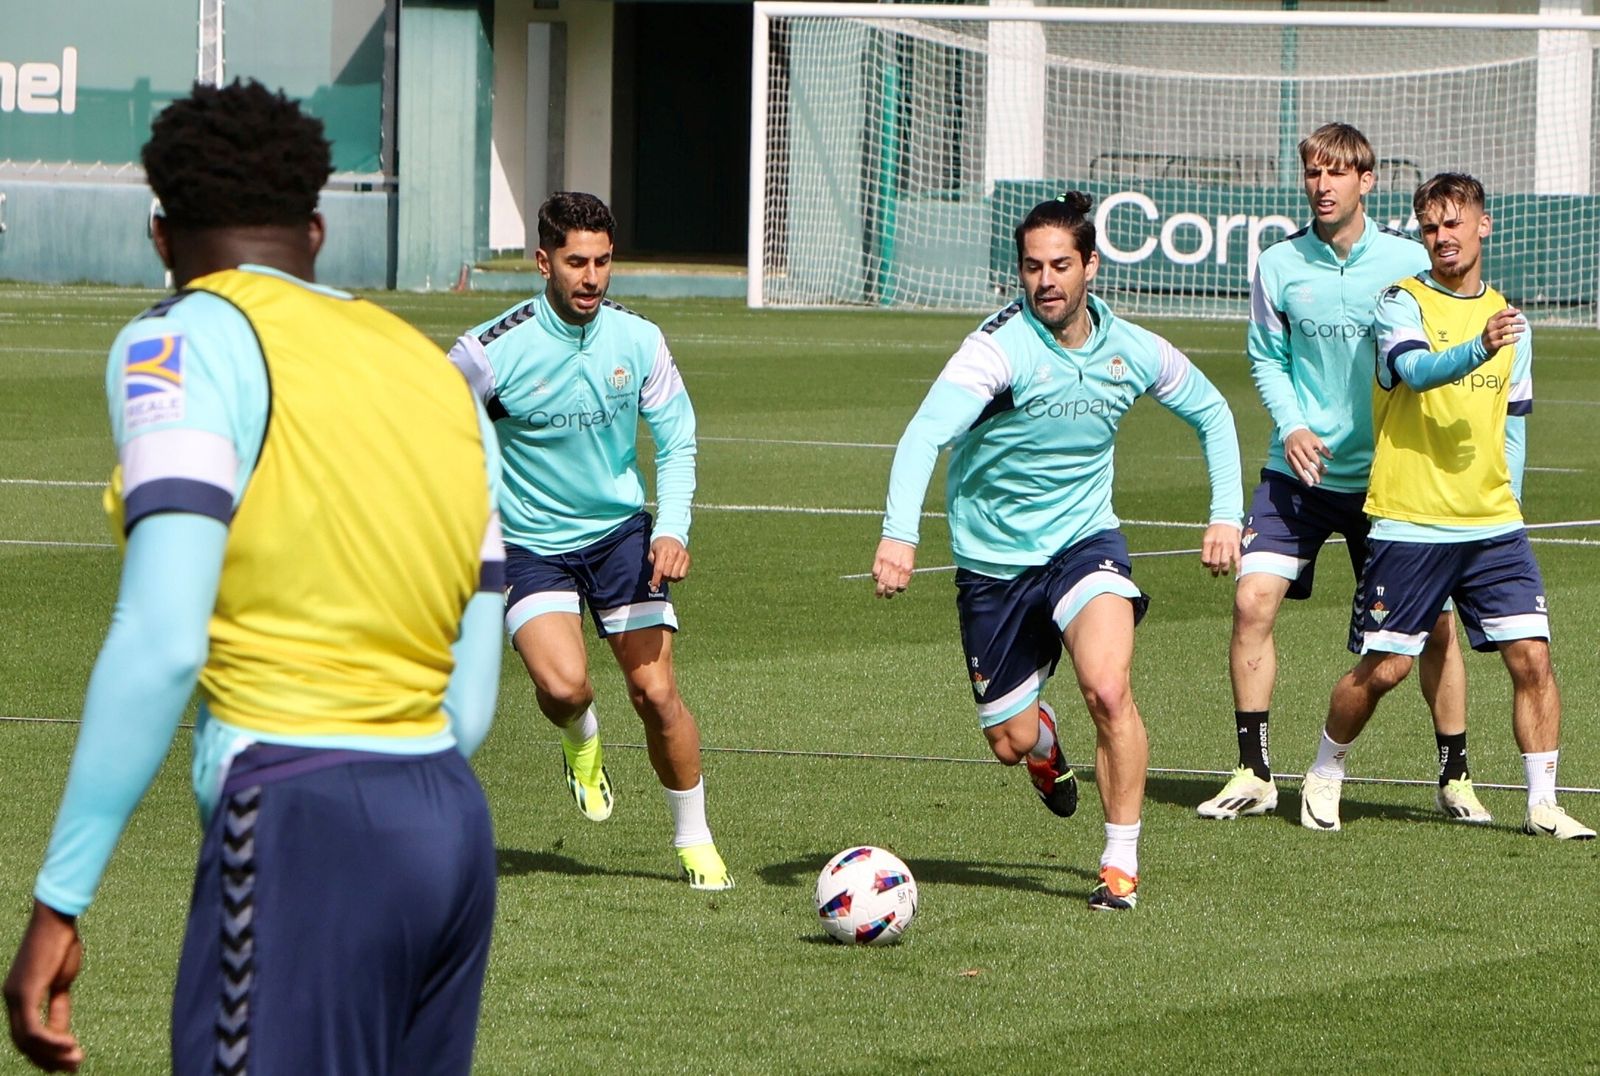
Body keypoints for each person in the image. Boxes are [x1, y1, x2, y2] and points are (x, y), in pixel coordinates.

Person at [3, 80, 505, 1075]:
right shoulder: (435, 375)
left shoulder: (177, 338)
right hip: (449, 824)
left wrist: (60, 897)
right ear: (317, 229)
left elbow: (163, 638)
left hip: (300, 822)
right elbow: (474, 696)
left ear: (160, 234)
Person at [872, 193, 1243, 911]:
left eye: (1061, 266)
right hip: (994, 564)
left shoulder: (1130, 348)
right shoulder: (996, 351)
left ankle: (1119, 861)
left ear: (1091, 267)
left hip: (1084, 544)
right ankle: (1043, 745)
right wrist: (900, 532)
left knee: (1107, 688)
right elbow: (924, 434)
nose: (1046, 281)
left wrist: (1225, 514)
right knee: (1009, 742)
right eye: (1033, 267)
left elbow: (1212, 410)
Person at [1197, 123, 1482, 824]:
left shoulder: (1409, 260)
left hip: (1391, 481)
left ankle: (1456, 776)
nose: (1321, 186)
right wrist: (1293, 425)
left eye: (1336, 173)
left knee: (1436, 628)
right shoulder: (1277, 264)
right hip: (1295, 474)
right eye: (1313, 173)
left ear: (1366, 181)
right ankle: (1254, 771)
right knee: (1251, 603)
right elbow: (1265, 358)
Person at [446, 192, 732, 890]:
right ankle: (581, 741)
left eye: (604, 262)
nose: (593, 278)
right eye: (577, 262)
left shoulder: (638, 341)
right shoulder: (489, 352)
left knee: (657, 692)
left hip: (619, 538)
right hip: (529, 544)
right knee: (565, 686)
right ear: (543, 261)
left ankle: (694, 841)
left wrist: (671, 529)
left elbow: (678, 439)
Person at [1299, 173, 1593, 839]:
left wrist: (1509, 499)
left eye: (1453, 224)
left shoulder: (1510, 317)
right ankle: (1325, 768)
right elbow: (1418, 372)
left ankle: (1543, 801)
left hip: (1493, 526)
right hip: (1411, 520)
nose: (1442, 238)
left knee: (1533, 659)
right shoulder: (1400, 303)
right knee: (1388, 669)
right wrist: (1479, 345)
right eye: (1430, 228)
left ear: (1482, 226)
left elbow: (1514, 421)